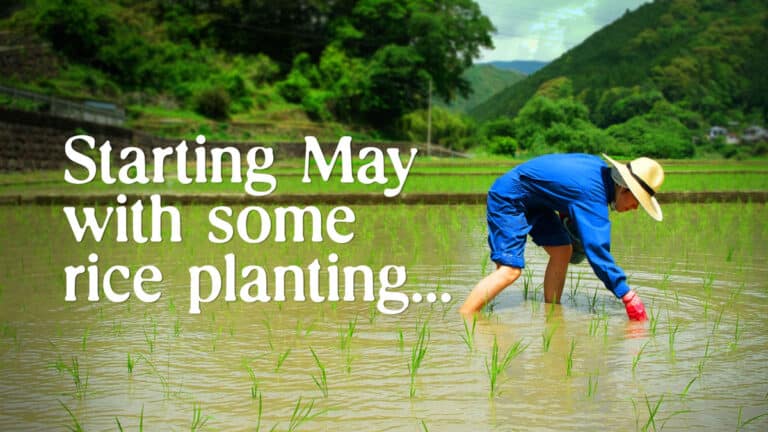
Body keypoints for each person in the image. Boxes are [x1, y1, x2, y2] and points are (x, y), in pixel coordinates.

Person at [458, 153, 665, 321]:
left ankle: (552, 314)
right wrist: (627, 295)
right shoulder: (593, 194)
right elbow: (598, 251)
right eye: (637, 200)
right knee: (510, 271)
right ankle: (464, 319)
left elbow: (561, 184)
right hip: (510, 198)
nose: (635, 208)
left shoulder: (599, 171)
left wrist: (567, 212)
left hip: (536, 202)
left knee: (562, 250)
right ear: (624, 188)